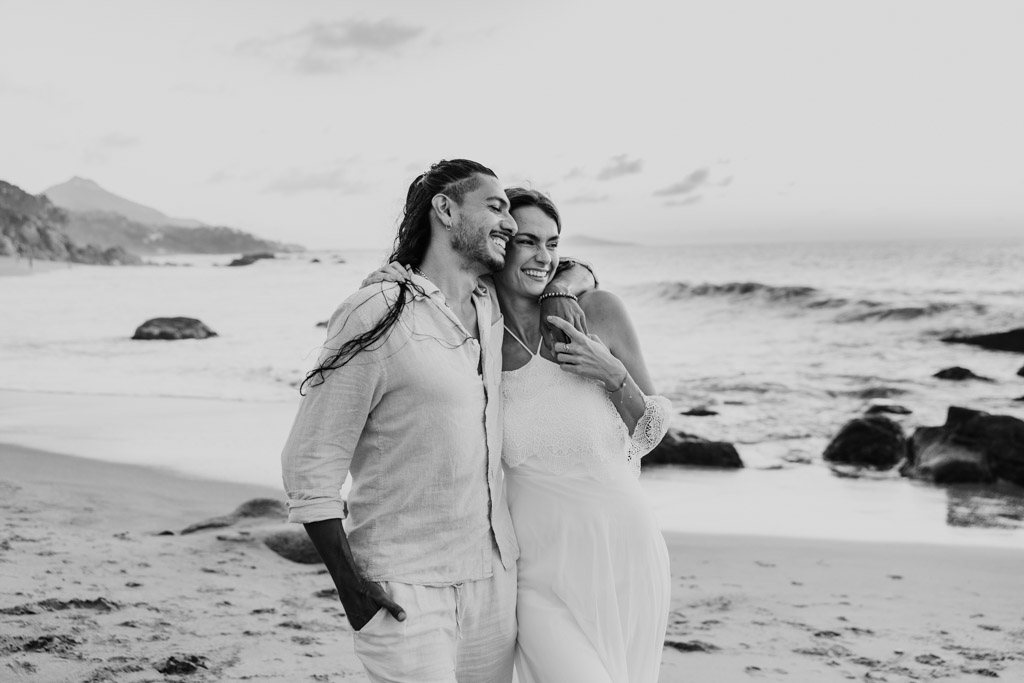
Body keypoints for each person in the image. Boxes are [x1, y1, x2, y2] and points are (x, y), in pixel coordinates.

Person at [280, 160, 594, 683]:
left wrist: (566, 287)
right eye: (495, 207)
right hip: (404, 582)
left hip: (493, 578)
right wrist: (350, 587)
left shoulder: (488, 305)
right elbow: (309, 462)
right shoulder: (377, 311)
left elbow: (560, 267)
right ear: (445, 210)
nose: (511, 225)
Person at [495, 188, 671, 682]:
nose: (543, 257)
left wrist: (613, 375)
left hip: (624, 551)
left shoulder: (600, 312)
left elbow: (651, 430)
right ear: (498, 244)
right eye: (526, 241)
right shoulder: (477, 331)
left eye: (552, 243)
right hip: (537, 570)